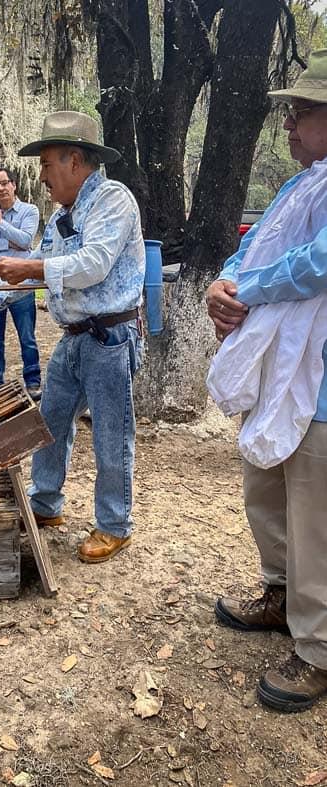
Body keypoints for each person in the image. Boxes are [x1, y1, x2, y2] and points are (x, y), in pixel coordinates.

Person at [0, 111, 145, 564]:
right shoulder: (63, 214)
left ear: (74, 161)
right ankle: (45, 504)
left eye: (46, 165)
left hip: (110, 336)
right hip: (75, 337)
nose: (40, 177)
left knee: (112, 435)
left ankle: (115, 524)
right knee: (50, 424)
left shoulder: (113, 201)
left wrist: (32, 268)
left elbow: (92, 264)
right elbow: (36, 267)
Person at [206, 50, 327, 712]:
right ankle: (280, 596)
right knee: (267, 493)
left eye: (300, 112)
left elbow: (317, 262)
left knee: (317, 520)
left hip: (320, 387)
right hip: (278, 377)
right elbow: (251, 246)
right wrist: (223, 284)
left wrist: (245, 290)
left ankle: (317, 650)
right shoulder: (300, 187)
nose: (287, 125)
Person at [0, 166, 42, 401]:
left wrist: (1, 224)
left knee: (26, 334)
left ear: (14, 185)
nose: (1, 188)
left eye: (5, 183)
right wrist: (8, 243)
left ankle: (33, 381)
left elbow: (26, 240)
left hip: (21, 280)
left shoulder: (29, 211)